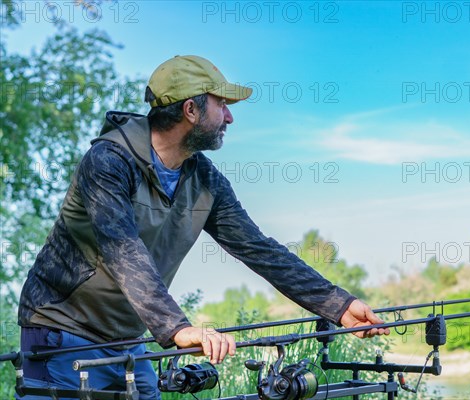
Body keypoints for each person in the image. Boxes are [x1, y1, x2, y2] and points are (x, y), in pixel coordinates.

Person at [17, 55, 389, 399]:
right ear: (191, 110)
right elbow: (122, 250)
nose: (229, 118)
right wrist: (177, 328)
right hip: (61, 333)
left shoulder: (204, 178)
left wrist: (338, 305)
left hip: (127, 339)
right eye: (222, 105)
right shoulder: (108, 162)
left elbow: (257, 248)